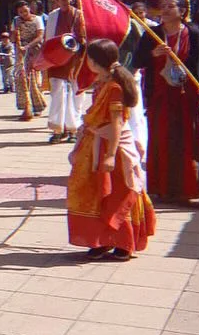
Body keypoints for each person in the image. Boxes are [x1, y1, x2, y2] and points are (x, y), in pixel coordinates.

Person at [66, 39, 155, 260]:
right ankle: (102, 240)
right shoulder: (103, 81)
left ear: (95, 62)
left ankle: (124, 242)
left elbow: (116, 123)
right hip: (96, 143)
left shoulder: (114, 87)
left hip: (113, 148)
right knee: (97, 194)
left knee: (116, 194)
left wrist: (110, 155)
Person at [134, 0, 199, 203]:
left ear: (182, 11)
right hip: (160, 97)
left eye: (170, 6)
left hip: (187, 97)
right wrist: (153, 54)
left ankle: (189, 188)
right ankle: (163, 188)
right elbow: (137, 60)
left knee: (188, 141)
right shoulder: (152, 35)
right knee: (162, 139)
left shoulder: (194, 34)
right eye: (163, 6)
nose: (164, 10)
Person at [45, 0, 84, 143]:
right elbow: (47, 40)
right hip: (56, 61)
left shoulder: (78, 15)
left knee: (75, 95)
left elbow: (82, 39)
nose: (64, 0)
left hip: (74, 60)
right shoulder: (52, 16)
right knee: (57, 94)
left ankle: (73, 128)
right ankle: (57, 129)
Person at [13, 1, 46, 121]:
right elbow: (13, 37)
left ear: (29, 9)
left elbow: (40, 36)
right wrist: (15, 35)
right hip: (20, 52)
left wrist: (27, 46)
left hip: (34, 50)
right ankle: (26, 106)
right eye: (20, 12)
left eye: (25, 11)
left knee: (33, 78)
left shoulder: (37, 19)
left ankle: (38, 106)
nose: (23, 14)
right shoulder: (16, 21)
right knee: (21, 78)